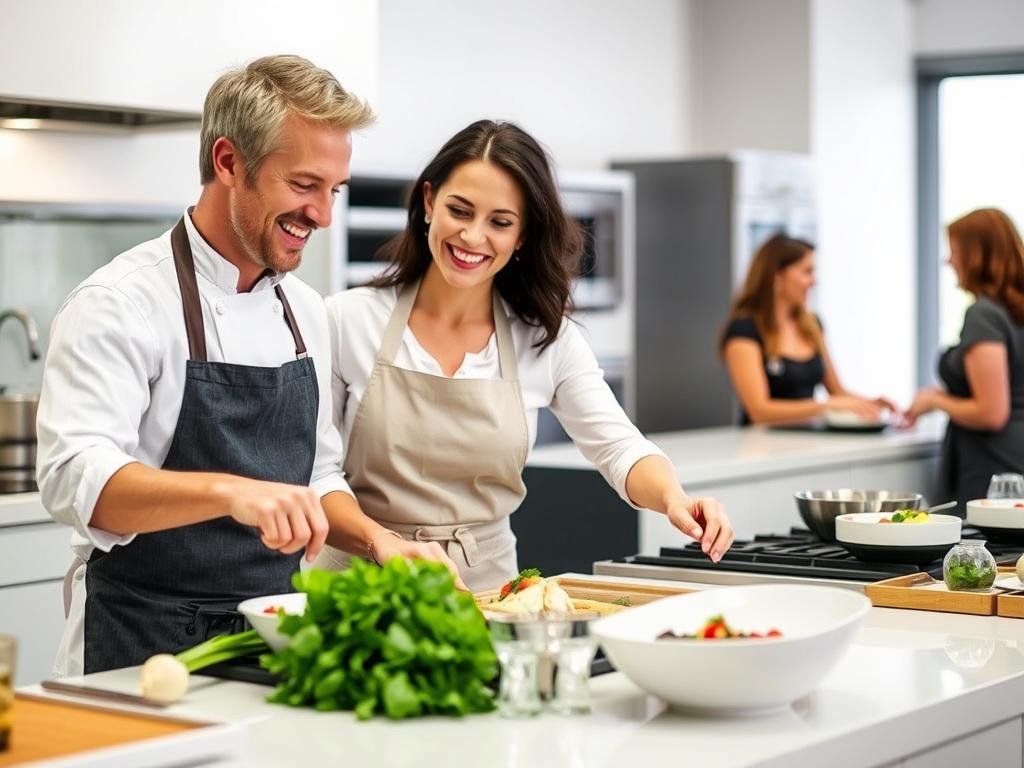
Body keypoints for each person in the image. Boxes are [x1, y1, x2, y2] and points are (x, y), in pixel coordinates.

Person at [36, 55, 453, 677]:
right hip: (139, 649)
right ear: (229, 162)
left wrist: (378, 542)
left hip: (272, 638)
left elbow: (319, 475)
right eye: (303, 185)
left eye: (332, 191)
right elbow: (77, 481)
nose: (322, 214)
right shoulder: (119, 304)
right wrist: (229, 492)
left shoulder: (305, 312)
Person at [312, 119, 734, 592]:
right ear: (429, 202)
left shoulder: (546, 339)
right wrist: (379, 541)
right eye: (460, 210)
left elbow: (620, 448)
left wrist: (674, 498)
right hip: (356, 588)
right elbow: (315, 470)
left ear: (523, 236)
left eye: (500, 222)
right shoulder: (345, 319)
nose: (473, 237)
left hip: (488, 594)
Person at [906, 208, 1024, 509]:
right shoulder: (1013, 312)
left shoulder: (984, 314)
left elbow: (991, 412)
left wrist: (935, 401)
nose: (949, 261)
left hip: (994, 471)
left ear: (977, 254)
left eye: (955, 251)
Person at [719, 234, 896, 425]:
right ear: (777, 275)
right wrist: (825, 407)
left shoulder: (812, 325)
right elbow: (760, 412)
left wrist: (868, 404)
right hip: (762, 449)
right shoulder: (744, 331)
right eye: (807, 272)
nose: (813, 281)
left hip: (807, 444)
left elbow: (837, 392)